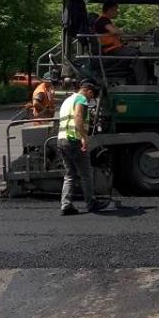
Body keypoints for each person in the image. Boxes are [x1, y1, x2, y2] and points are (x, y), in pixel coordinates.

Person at [57, 78, 100, 216]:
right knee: (86, 173)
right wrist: (83, 137)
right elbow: (78, 116)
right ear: (88, 91)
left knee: (70, 174)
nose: (90, 99)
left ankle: (66, 205)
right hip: (73, 140)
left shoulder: (67, 100)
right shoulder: (81, 99)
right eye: (91, 95)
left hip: (62, 140)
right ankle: (91, 203)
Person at [93, 2, 147, 82]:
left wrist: (134, 37)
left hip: (115, 48)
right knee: (136, 53)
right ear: (109, 10)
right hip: (111, 50)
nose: (117, 12)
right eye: (115, 10)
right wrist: (122, 32)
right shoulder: (102, 20)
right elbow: (114, 31)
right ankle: (143, 83)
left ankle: (136, 79)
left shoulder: (106, 21)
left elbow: (117, 36)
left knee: (135, 50)